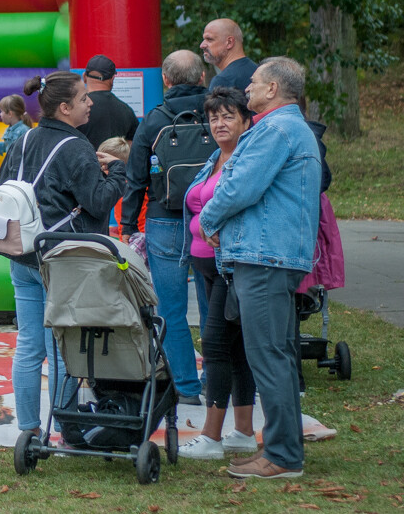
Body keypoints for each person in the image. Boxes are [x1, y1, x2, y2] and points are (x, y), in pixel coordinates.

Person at [200, 57, 321, 480]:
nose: (247, 88)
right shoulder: (286, 128)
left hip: (265, 259)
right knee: (279, 355)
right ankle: (282, 447)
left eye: (253, 83)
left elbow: (240, 186)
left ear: (272, 90)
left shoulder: (275, 130)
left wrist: (209, 219)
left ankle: (284, 456)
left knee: (268, 356)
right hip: (268, 257)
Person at [0, 71, 128, 437]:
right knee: (61, 347)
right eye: (85, 98)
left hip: (22, 253)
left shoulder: (22, 141)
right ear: (65, 108)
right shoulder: (76, 147)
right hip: (60, 259)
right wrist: (117, 172)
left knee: (28, 345)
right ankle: (67, 427)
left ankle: (29, 430)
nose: (90, 103)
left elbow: (3, 189)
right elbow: (99, 202)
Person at [120, 49, 208, 404]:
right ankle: (221, 384)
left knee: (171, 308)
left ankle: (187, 387)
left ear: (165, 80)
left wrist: (127, 223)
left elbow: (135, 177)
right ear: (202, 78)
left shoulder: (155, 119)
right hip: (211, 219)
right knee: (214, 305)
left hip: (165, 218)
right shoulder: (222, 113)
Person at [177, 87, 258, 460]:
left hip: (230, 267)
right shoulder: (214, 158)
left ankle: (211, 437)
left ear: (246, 119)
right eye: (213, 117)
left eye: (228, 116)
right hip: (205, 268)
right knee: (237, 349)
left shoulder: (245, 161)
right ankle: (242, 431)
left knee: (214, 346)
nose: (219, 123)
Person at [77, 54, 138, 148]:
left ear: (84, 77)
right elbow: (133, 144)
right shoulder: (126, 110)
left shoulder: (77, 109)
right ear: (112, 79)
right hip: (116, 162)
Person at [200, 18, 258, 91]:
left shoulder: (223, 81)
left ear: (229, 42)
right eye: (204, 40)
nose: (202, 45)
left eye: (209, 39)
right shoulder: (257, 70)